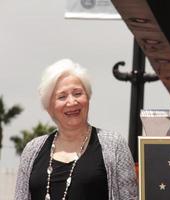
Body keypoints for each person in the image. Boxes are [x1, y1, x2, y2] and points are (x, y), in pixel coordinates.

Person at [14, 59, 138, 200]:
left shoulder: (114, 145)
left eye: (78, 93)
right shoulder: (32, 150)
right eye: (62, 96)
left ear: (88, 97)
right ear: (49, 106)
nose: (72, 102)